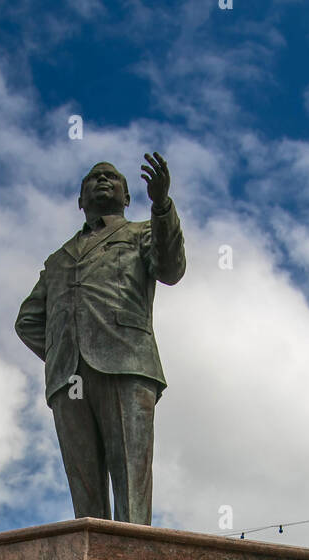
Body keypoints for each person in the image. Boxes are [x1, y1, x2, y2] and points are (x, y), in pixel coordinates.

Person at [15, 154, 185, 526]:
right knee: (85, 494)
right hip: (68, 376)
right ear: (80, 201)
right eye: (93, 179)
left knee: (130, 482)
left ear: (127, 197)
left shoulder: (142, 232)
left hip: (126, 361)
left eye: (112, 178)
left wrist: (161, 206)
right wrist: (65, 349)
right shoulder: (59, 259)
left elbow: (170, 269)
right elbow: (27, 321)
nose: (103, 181)